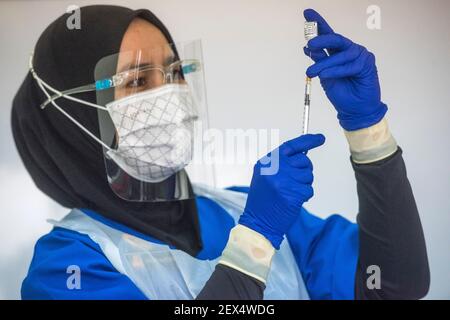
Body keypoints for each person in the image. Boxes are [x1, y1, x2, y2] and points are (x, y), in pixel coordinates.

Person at [12, 5, 429, 300]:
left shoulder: (237, 209)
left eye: (174, 72)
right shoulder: (68, 268)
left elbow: (393, 287)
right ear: (72, 117)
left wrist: (368, 130)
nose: (170, 94)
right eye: (138, 81)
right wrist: (256, 238)